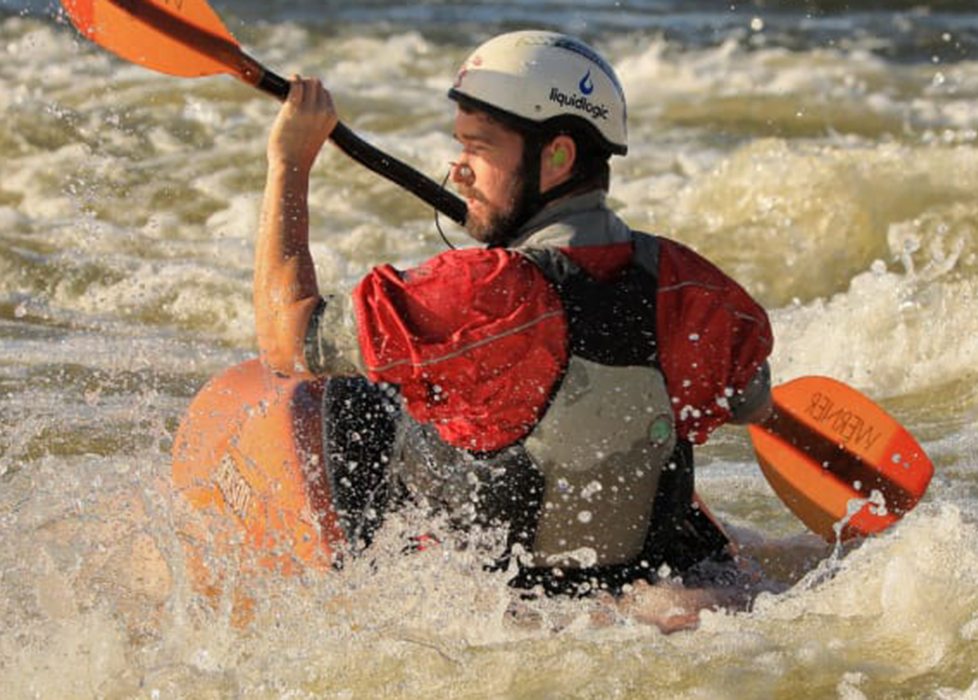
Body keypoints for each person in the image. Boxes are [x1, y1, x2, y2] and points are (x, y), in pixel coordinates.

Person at [256, 31, 774, 629]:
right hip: (647, 591)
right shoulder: (692, 290)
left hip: (498, 604)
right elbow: (752, 402)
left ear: (556, 158)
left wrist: (289, 164)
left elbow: (285, 337)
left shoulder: (482, 295)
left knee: (345, 395)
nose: (459, 170)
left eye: (478, 148)